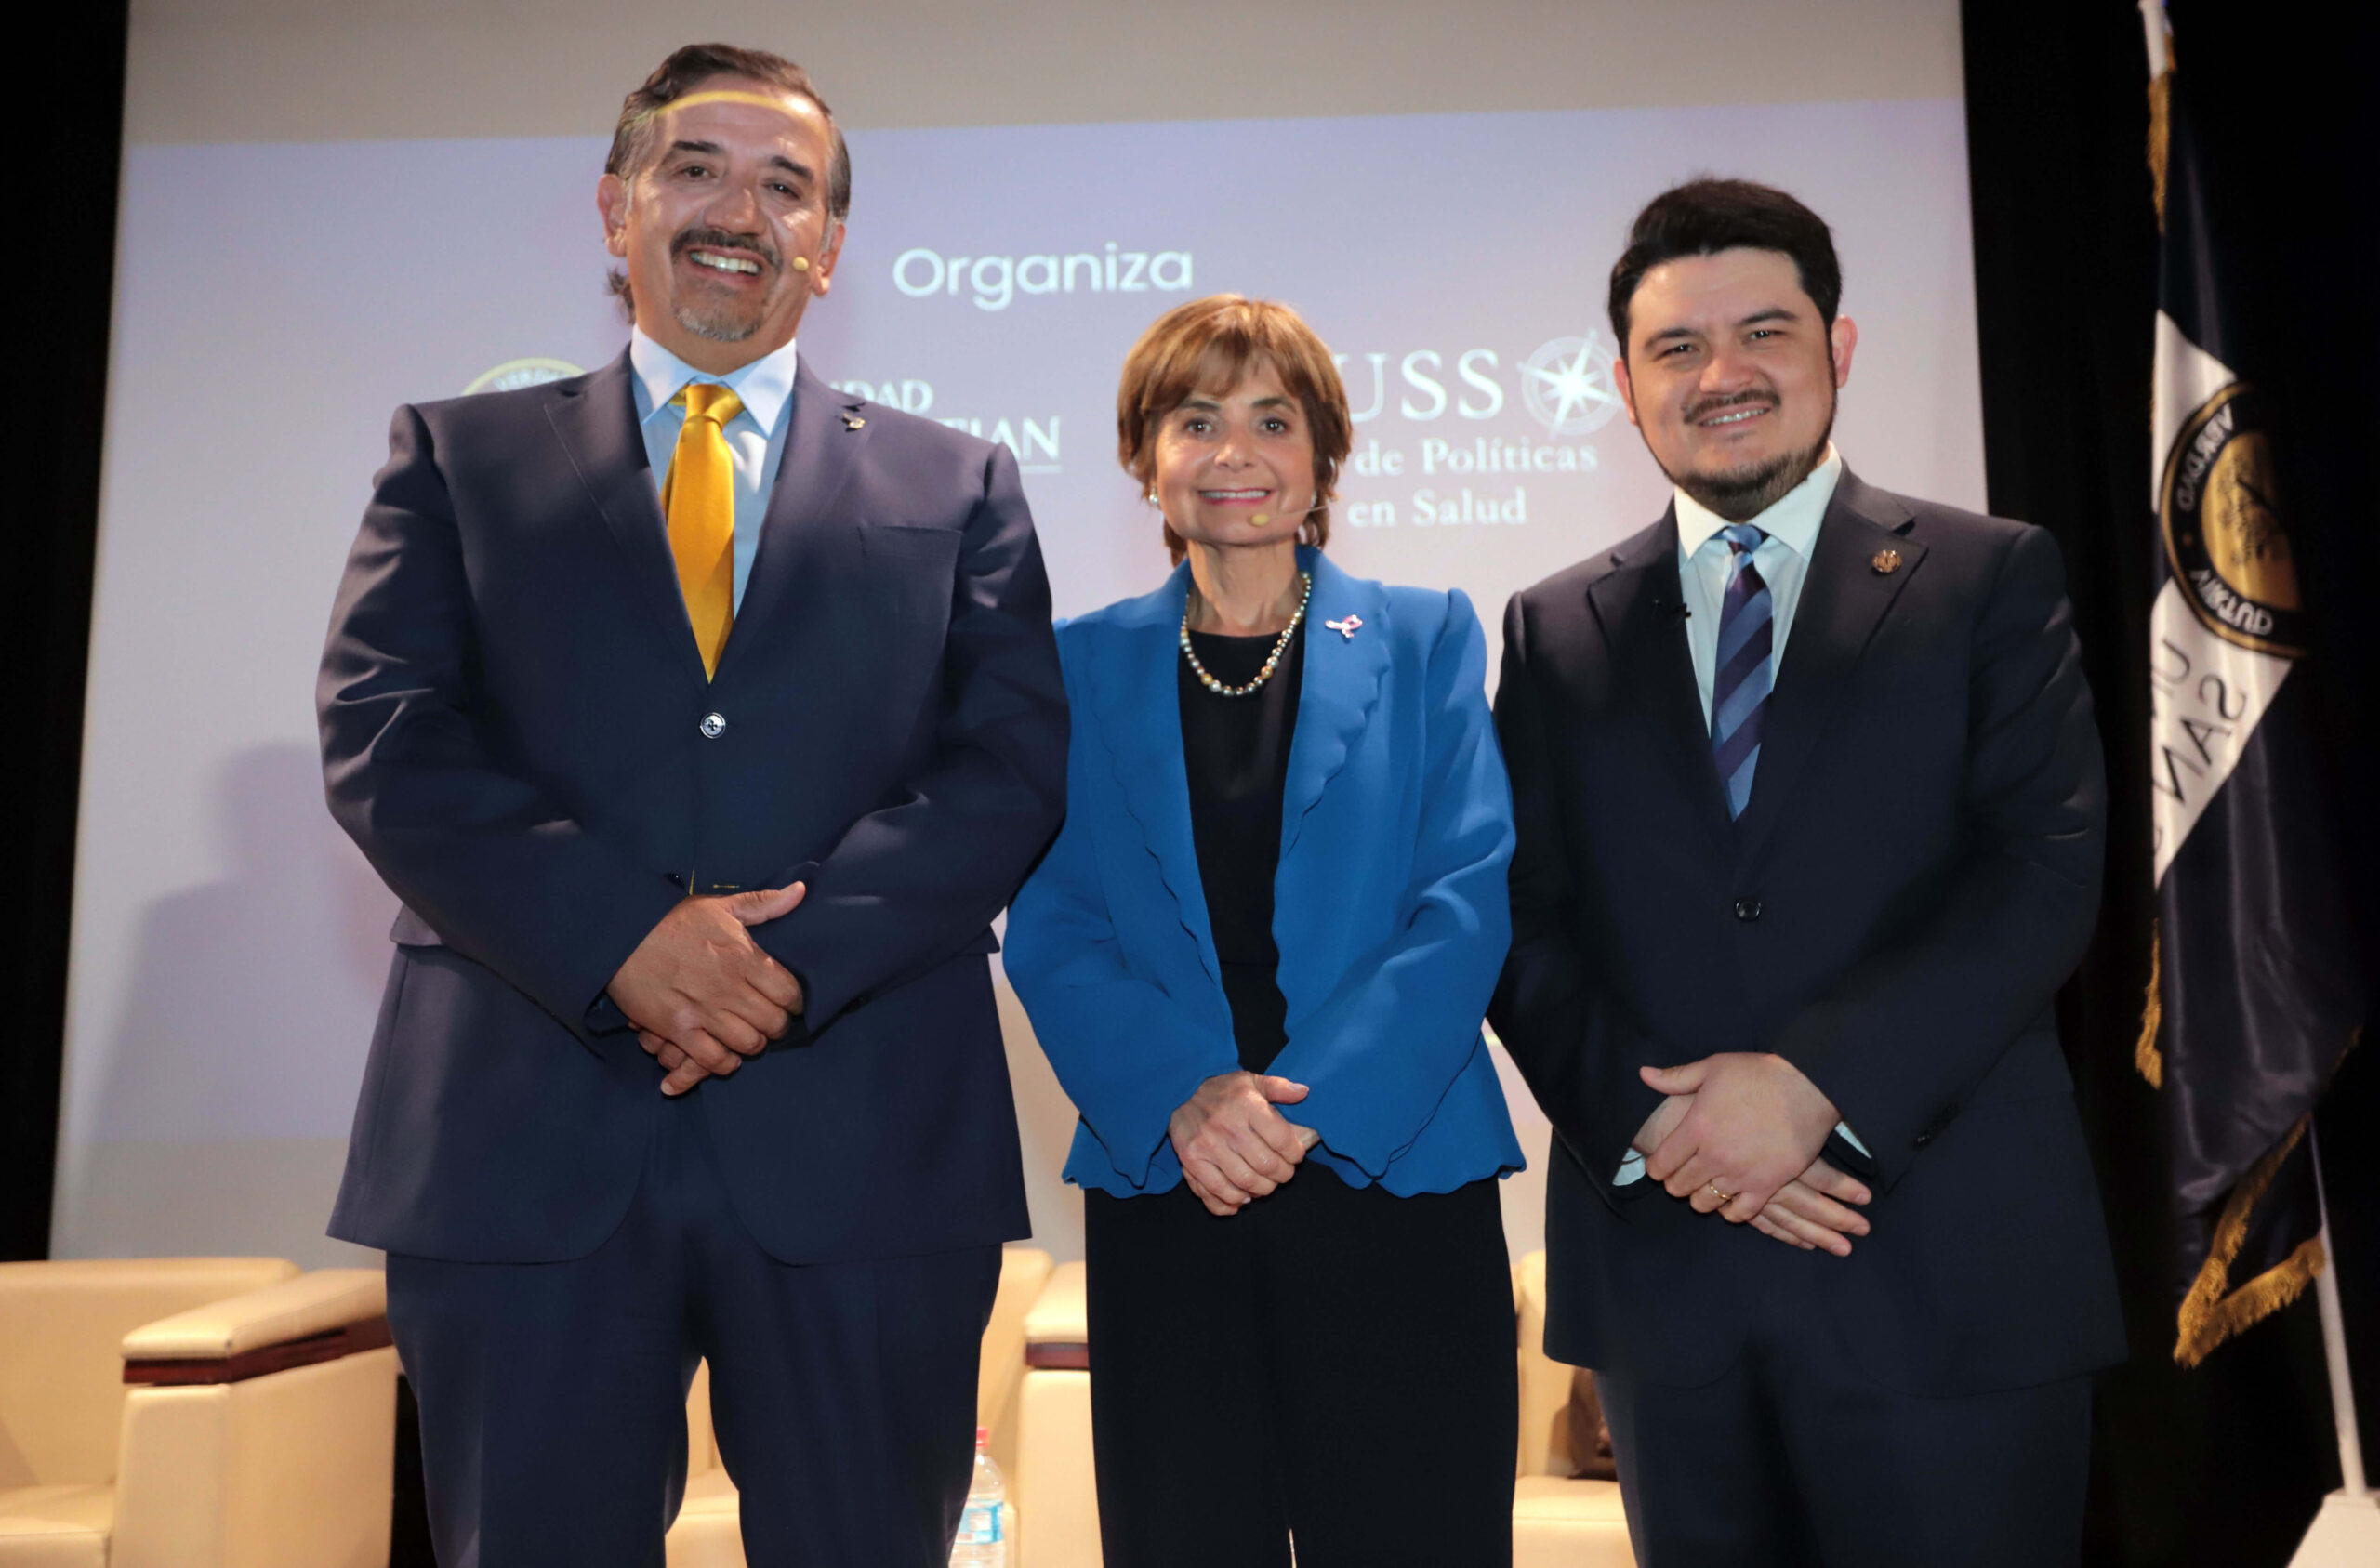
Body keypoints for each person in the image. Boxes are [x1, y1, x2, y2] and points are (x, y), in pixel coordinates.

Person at [315, 44, 1066, 1568]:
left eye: (786, 186)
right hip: (523, 1143)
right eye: (696, 168)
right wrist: (624, 942)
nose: (741, 209)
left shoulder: (959, 478)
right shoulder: (457, 458)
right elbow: (386, 734)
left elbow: (1007, 770)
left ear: (831, 247)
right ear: (616, 208)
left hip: (863, 1147)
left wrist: (779, 968)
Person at [1489, 179, 2124, 1567]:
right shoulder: (1552, 629)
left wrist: (1808, 1088)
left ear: (1838, 348)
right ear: (1623, 384)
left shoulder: (1987, 577)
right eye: (1676, 349)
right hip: (1673, 1292)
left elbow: (2044, 870)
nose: (1722, 376)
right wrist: (1668, 1131)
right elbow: (1518, 919)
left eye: (1764, 332)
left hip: (1947, 1278)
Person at [1003, 296, 1524, 1568]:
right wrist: (1189, 1096)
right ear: (1144, 460)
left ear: (1323, 458)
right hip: (1174, 1190)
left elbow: (1464, 896)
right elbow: (1054, 924)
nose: (1232, 453)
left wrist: (1298, 1111)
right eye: (1195, 420)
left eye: (1271, 421)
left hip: (1392, 1178)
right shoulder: (1075, 665)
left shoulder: (1422, 634)